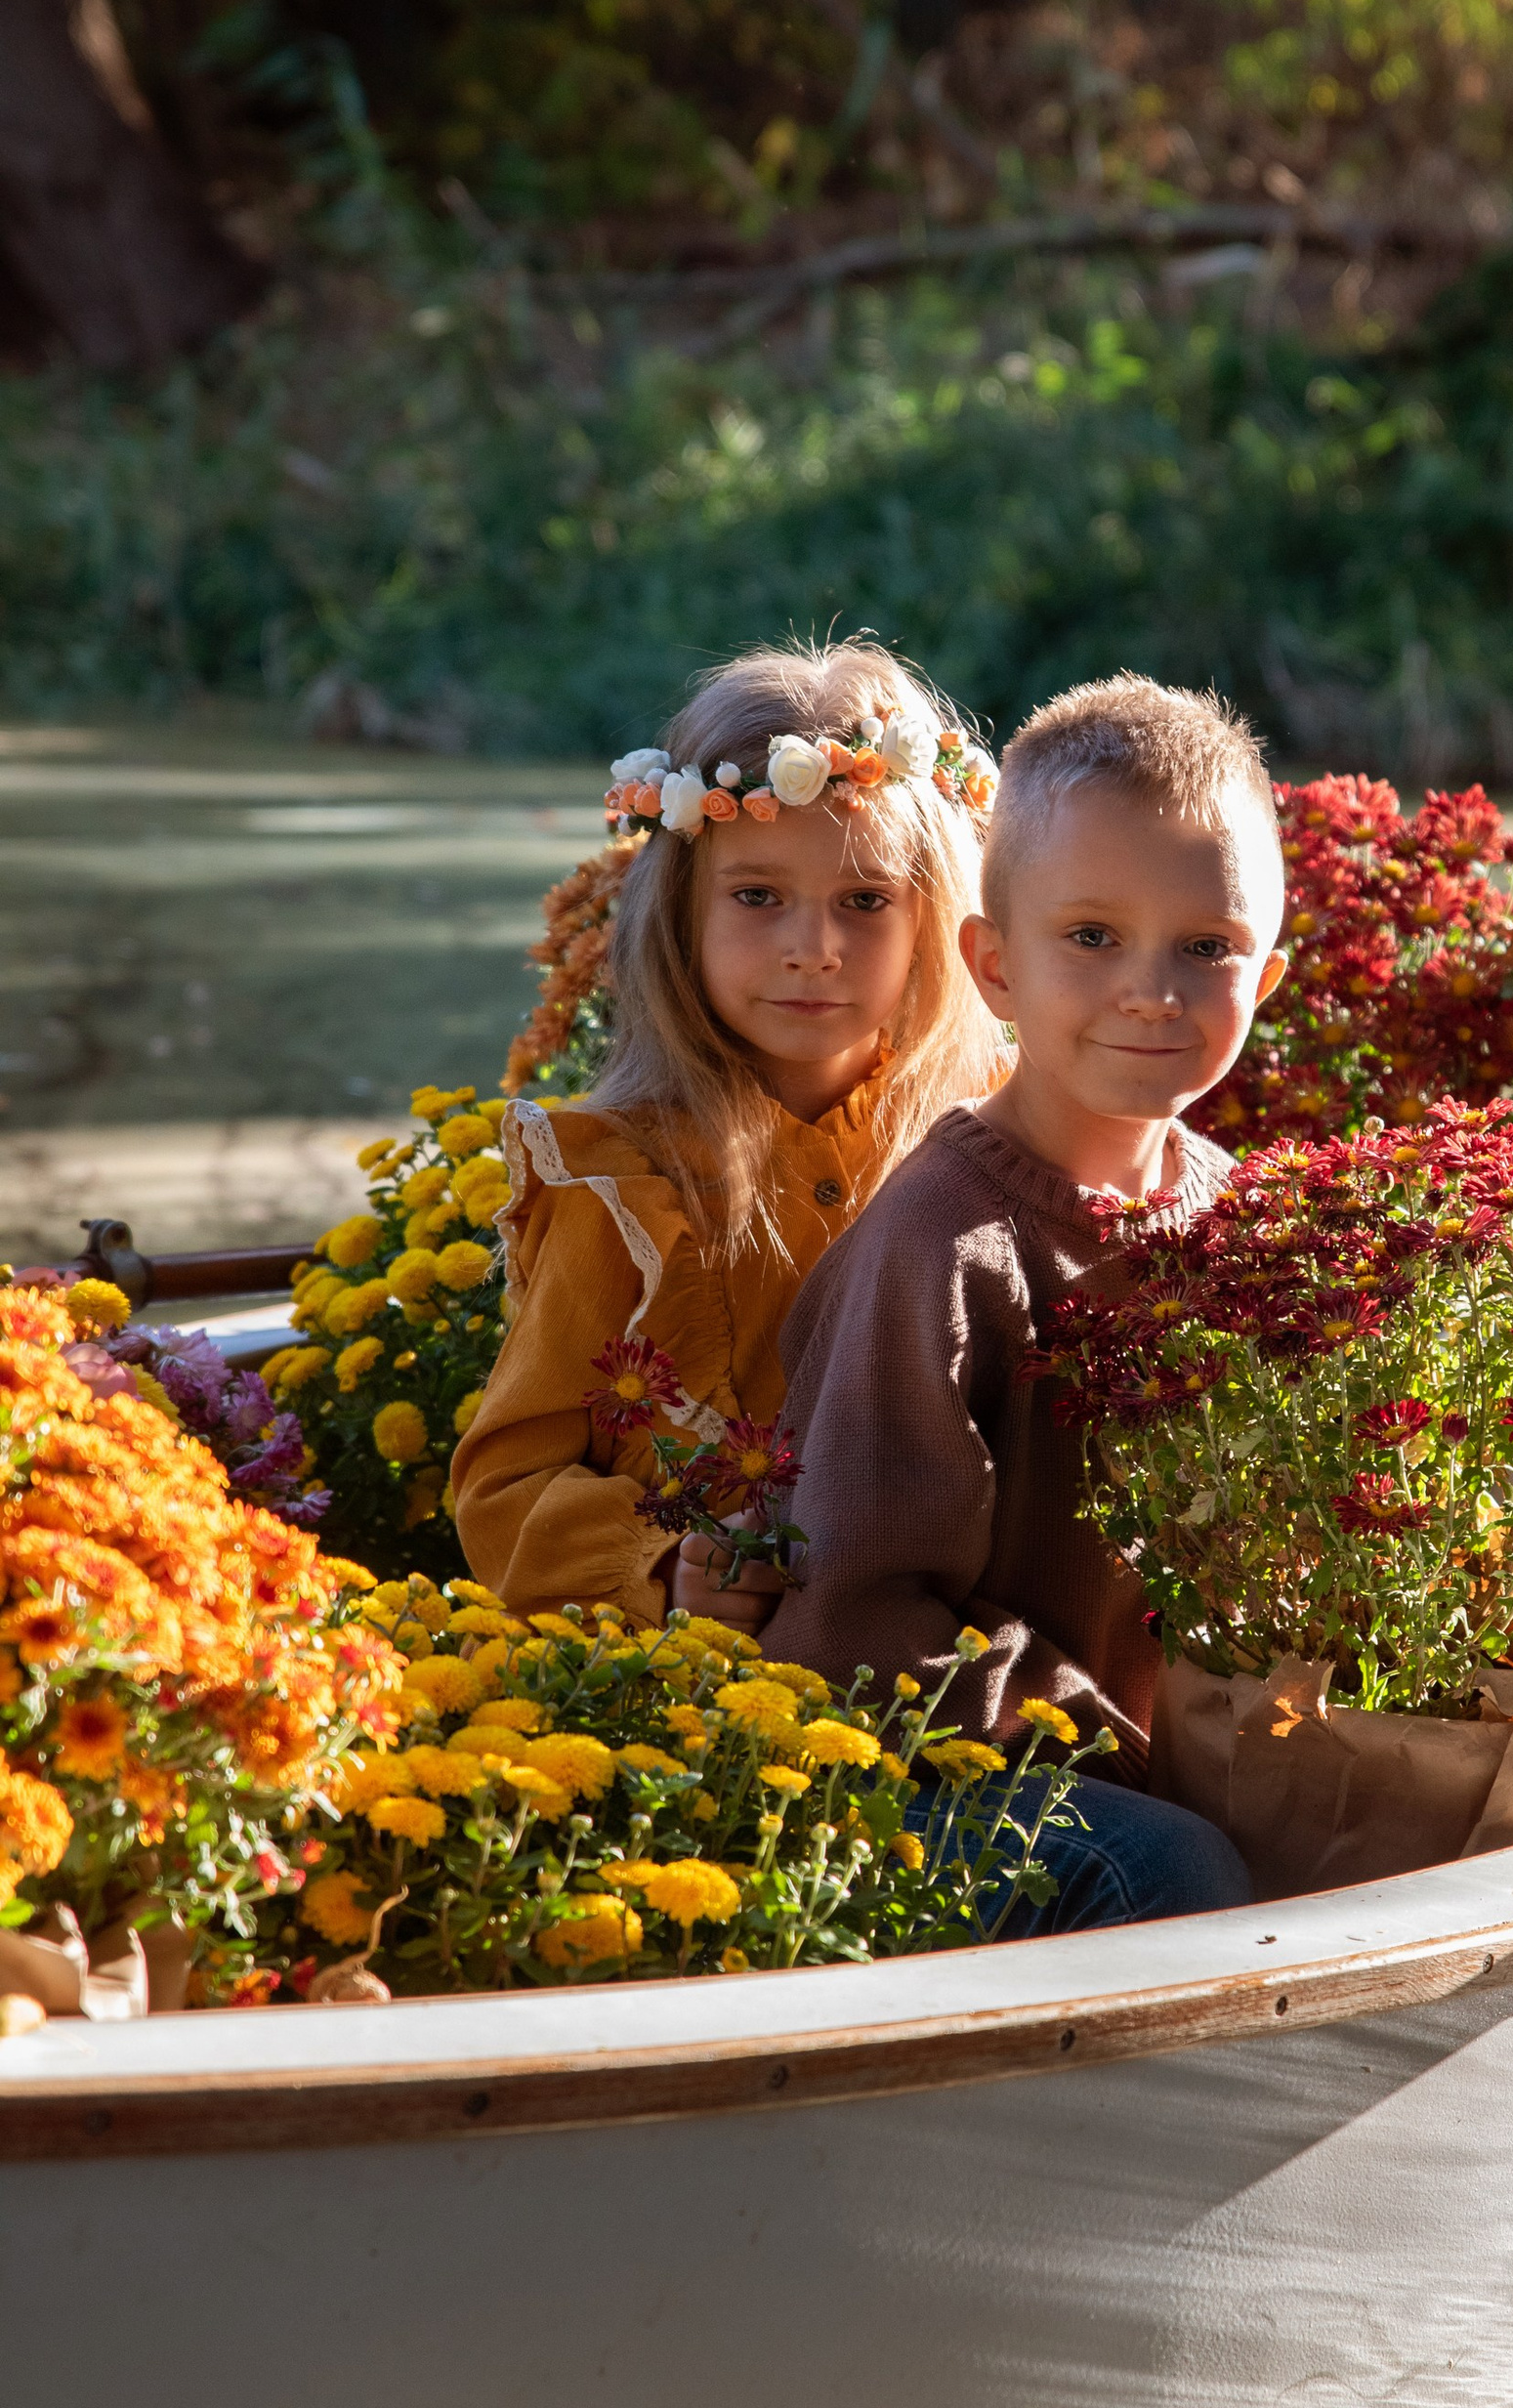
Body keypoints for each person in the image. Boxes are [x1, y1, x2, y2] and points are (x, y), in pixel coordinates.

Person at [764, 673, 1287, 1926]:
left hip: (1157, 1739)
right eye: (1092, 937)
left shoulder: (1244, 1224)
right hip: (929, 1765)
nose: (1151, 990)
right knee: (1172, 1874)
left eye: (1205, 948)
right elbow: (858, 1618)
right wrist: (1112, 1740)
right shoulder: (943, 1244)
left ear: (1264, 974)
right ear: (995, 965)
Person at [449, 636, 1000, 1621]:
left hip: (945, 1666)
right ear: (680, 913)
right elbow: (502, 1490)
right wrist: (669, 1569)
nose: (813, 950)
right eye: (757, 897)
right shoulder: (616, 1181)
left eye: (865, 900)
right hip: (708, 1703)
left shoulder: (985, 1140)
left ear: (936, 915)